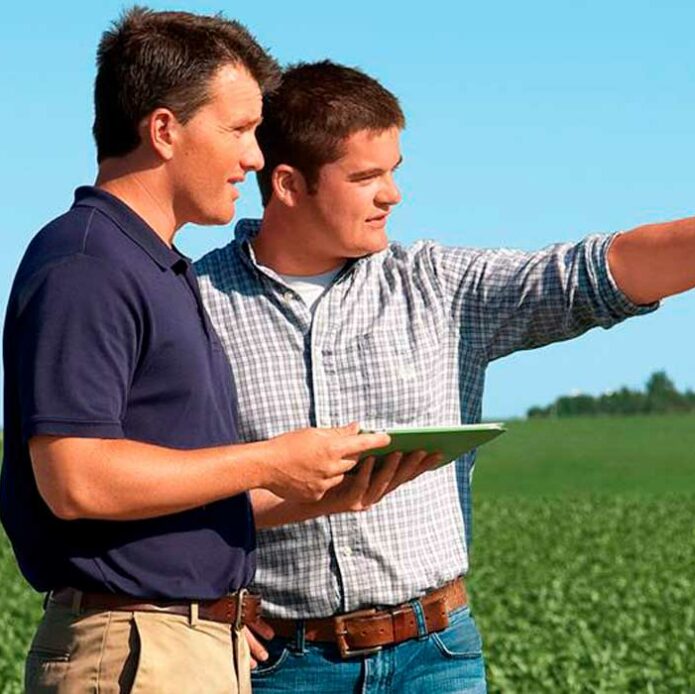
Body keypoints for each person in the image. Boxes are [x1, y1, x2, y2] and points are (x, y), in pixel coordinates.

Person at [194, 60, 695, 693]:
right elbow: (145, 486)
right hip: (280, 669)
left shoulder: (439, 286)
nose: (393, 195)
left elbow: (600, 273)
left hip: (434, 655)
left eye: (396, 169)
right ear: (286, 184)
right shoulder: (192, 306)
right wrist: (197, 605)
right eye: (365, 177)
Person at [0, 12, 407, 693]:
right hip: (135, 653)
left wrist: (320, 490)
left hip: (180, 650)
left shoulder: (155, 266)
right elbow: (76, 479)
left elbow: (170, 494)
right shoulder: (86, 264)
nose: (254, 156)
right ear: (164, 130)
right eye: (240, 129)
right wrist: (273, 458)